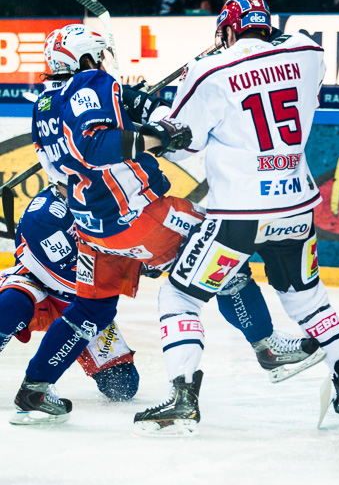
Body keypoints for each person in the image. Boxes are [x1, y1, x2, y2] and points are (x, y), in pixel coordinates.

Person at [16, 23, 320, 426]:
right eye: (98, 55)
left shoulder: (44, 104)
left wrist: (144, 112)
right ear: (85, 57)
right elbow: (94, 144)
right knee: (225, 258)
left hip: (90, 228)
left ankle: (35, 389)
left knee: (91, 308)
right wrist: (152, 138)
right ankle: (267, 347)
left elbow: (71, 154)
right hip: (138, 215)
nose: (102, 62)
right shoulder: (90, 82)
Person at [133, 0, 339, 435]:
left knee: (180, 297)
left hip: (239, 215)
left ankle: (183, 395)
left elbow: (180, 139)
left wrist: (147, 112)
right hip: (296, 207)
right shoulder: (309, 52)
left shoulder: (209, 71)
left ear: (226, 30)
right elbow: (282, 65)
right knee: (309, 299)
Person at [2, 181, 140, 424]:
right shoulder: (44, 214)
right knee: (9, 307)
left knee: (123, 385)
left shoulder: (108, 201)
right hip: (39, 285)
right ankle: (37, 386)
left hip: (84, 301)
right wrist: (134, 264)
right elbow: (70, 275)